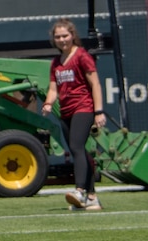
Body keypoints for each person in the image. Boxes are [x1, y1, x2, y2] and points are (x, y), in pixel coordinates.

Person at [40, 18, 109, 211]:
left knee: (77, 146)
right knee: (80, 151)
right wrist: (47, 103)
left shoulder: (81, 56)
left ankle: (79, 190)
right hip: (66, 110)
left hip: (83, 107)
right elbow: (54, 88)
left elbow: (95, 83)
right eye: (58, 37)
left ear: (73, 36)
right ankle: (92, 197)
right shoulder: (56, 62)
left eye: (65, 36)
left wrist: (98, 111)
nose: (62, 40)